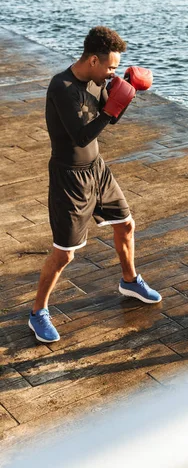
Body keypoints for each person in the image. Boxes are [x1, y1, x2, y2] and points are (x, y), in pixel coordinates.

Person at [29, 26, 161, 344]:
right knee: (65, 254)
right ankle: (37, 312)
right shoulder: (62, 87)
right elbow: (82, 134)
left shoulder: (97, 80)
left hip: (97, 170)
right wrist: (115, 104)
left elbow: (108, 118)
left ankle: (129, 280)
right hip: (69, 178)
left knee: (126, 225)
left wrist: (124, 90)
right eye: (111, 67)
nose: (112, 72)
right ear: (92, 59)